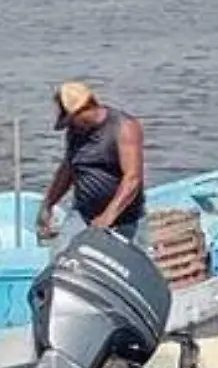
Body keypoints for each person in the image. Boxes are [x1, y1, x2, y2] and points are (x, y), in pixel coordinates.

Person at [35, 81, 146, 250]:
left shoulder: (123, 127)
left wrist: (107, 217)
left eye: (72, 119)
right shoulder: (75, 131)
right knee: (62, 256)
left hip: (126, 219)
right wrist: (48, 203)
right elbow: (68, 169)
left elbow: (132, 178)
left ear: (84, 110)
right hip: (83, 214)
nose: (70, 125)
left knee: (127, 269)